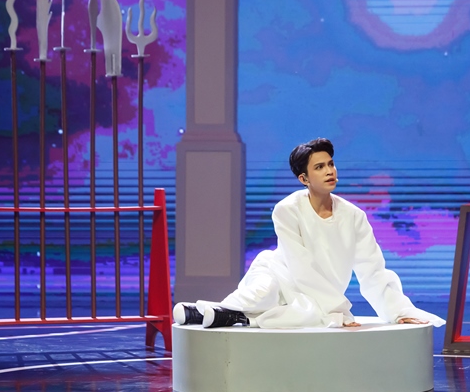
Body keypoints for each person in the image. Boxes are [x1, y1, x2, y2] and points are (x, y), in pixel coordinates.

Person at [173, 138, 446, 329]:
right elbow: (299, 265)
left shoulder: (354, 216)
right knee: (264, 293)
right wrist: (337, 309)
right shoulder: (287, 209)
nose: (329, 171)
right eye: (319, 167)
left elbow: (372, 270)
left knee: (307, 314)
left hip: (317, 293)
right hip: (282, 272)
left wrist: (398, 312)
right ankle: (215, 311)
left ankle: (219, 315)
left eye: (331, 164)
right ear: (303, 179)